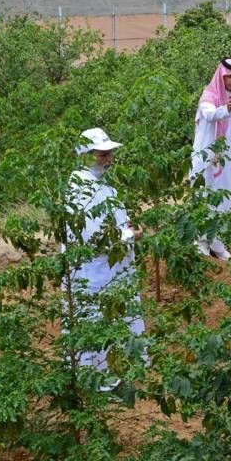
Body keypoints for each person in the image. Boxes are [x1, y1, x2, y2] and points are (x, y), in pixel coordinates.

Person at [63, 127, 145, 390]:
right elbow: (92, 237)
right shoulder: (80, 188)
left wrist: (126, 226)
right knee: (97, 319)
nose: (108, 159)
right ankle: (97, 378)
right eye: (102, 154)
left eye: (109, 154)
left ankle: (116, 368)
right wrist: (129, 235)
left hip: (109, 269)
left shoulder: (101, 183)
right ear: (85, 156)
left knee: (112, 317)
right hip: (95, 272)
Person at [190, 57, 231, 259]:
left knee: (222, 198)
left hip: (225, 159)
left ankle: (216, 241)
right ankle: (200, 241)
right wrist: (227, 109)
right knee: (204, 197)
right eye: (229, 76)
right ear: (221, 76)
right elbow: (210, 115)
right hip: (205, 157)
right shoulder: (210, 95)